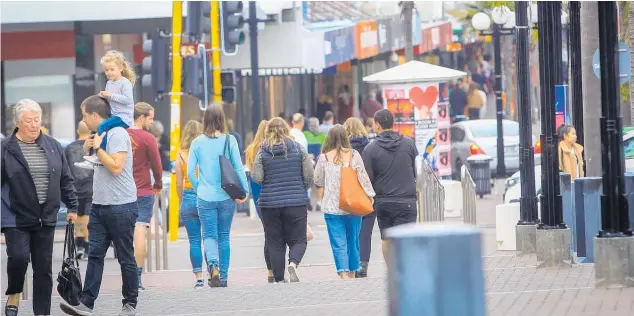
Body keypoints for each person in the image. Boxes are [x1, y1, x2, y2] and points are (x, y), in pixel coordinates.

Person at [60, 95, 139, 316]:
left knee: (125, 256)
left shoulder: (117, 134)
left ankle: (130, 303)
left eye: (85, 115)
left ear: (95, 115)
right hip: (100, 205)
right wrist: (90, 151)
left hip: (121, 205)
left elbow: (116, 167)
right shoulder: (101, 135)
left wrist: (98, 149)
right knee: (95, 255)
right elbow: (100, 165)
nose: (84, 120)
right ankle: (86, 303)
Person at [2, 99, 78, 316]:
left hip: (46, 216)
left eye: (37, 120)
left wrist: (72, 206)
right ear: (17, 122)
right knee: (18, 258)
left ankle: (42, 312)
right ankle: (14, 293)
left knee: (43, 269)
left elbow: (65, 178)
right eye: (29, 121)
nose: (35, 125)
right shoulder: (6, 149)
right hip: (15, 216)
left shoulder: (52, 145)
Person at [187, 105, 249, 288]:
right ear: (222, 119)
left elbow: (190, 172)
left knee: (208, 235)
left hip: (205, 197)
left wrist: (200, 189)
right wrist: (244, 190)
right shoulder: (230, 141)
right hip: (226, 197)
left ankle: (212, 264)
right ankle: (223, 277)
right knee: (224, 236)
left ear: (205, 120)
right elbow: (238, 167)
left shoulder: (197, 142)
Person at [251, 117, 314, 283]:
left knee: (275, 242)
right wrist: (302, 187)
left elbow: (257, 177)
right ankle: (293, 262)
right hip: (296, 202)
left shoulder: (262, 151)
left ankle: (279, 278)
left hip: (269, 204)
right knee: (299, 239)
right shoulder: (299, 149)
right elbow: (309, 174)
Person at [314, 125, 375, 279]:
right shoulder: (354, 155)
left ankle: (343, 274)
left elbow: (318, 180)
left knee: (338, 243)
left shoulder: (324, 157)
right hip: (353, 206)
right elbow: (363, 177)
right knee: (353, 241)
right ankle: (353, 272)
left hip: (332, 207)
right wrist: (370, 195)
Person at [362, 109, 418, 263]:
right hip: (407, 200)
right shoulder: (409, 144)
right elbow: (417, 171)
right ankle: (407, 268)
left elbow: (367, 178)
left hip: (383, 202)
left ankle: (393, 271)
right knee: (408, 239)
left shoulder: (370, 149)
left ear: (378, 125)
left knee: (386, 239)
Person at [77, 50, 136, 169]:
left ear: (121, 68)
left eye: (112, 69)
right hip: (113, 114)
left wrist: (111, 95)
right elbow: (109, 99)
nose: (109, 72)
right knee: (95, 130)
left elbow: (128, 100)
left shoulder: (125, 83)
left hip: (123, 117)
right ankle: (91, 156)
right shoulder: (109, 83)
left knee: (102, 127)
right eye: (106, 70)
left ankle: (100, 154)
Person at [127, 102, 163, 290]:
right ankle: (137, 277)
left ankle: (126, 275)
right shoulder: (148, 138)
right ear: (141, 117)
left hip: (122, 193)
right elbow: (157, 166)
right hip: (142, 191)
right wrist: (157, 183)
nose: (152, 121)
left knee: (125, 235)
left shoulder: (120, 134)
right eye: (150, 117)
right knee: (140, 232)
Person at [174, 120, 204, 288]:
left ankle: (199, 278)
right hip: (205, 196)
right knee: (209, 237)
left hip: (188, 196)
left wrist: (181, 199)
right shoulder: (205, 152)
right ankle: (214, 270)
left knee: (194, 240)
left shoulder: (180, 155)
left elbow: (178, 183)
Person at [244, 120, 274, 282]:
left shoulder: (251, 149)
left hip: (257, 192)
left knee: (267, 232)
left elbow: (251, 171)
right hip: (270, 190)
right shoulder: (270, 148)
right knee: (274, 234)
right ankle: (275, 268)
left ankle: (270, 271)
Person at [343, 117, 374, 277]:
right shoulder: (369, 146)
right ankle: (363, 266)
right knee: (365, 233)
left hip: (347, 195)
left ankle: (350, 266)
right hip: (365, 195)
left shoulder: (342, 149)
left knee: (349, 231)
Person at [65, 121, 94, 260]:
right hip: (90, 187)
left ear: (77, 130)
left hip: (74, 188)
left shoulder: (69, 148)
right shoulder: (93, 146)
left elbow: (65, 168)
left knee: (78, 218)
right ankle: (88, 247)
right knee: (88, 218)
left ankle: (80, 246)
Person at [304, 117, 327, 211]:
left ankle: (308, 199)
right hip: (319, 160)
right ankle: (319, 202)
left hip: (308, 160)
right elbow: (325, 149)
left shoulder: (305, 134)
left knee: (308, 181)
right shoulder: (322, 136)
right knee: (319, 182)